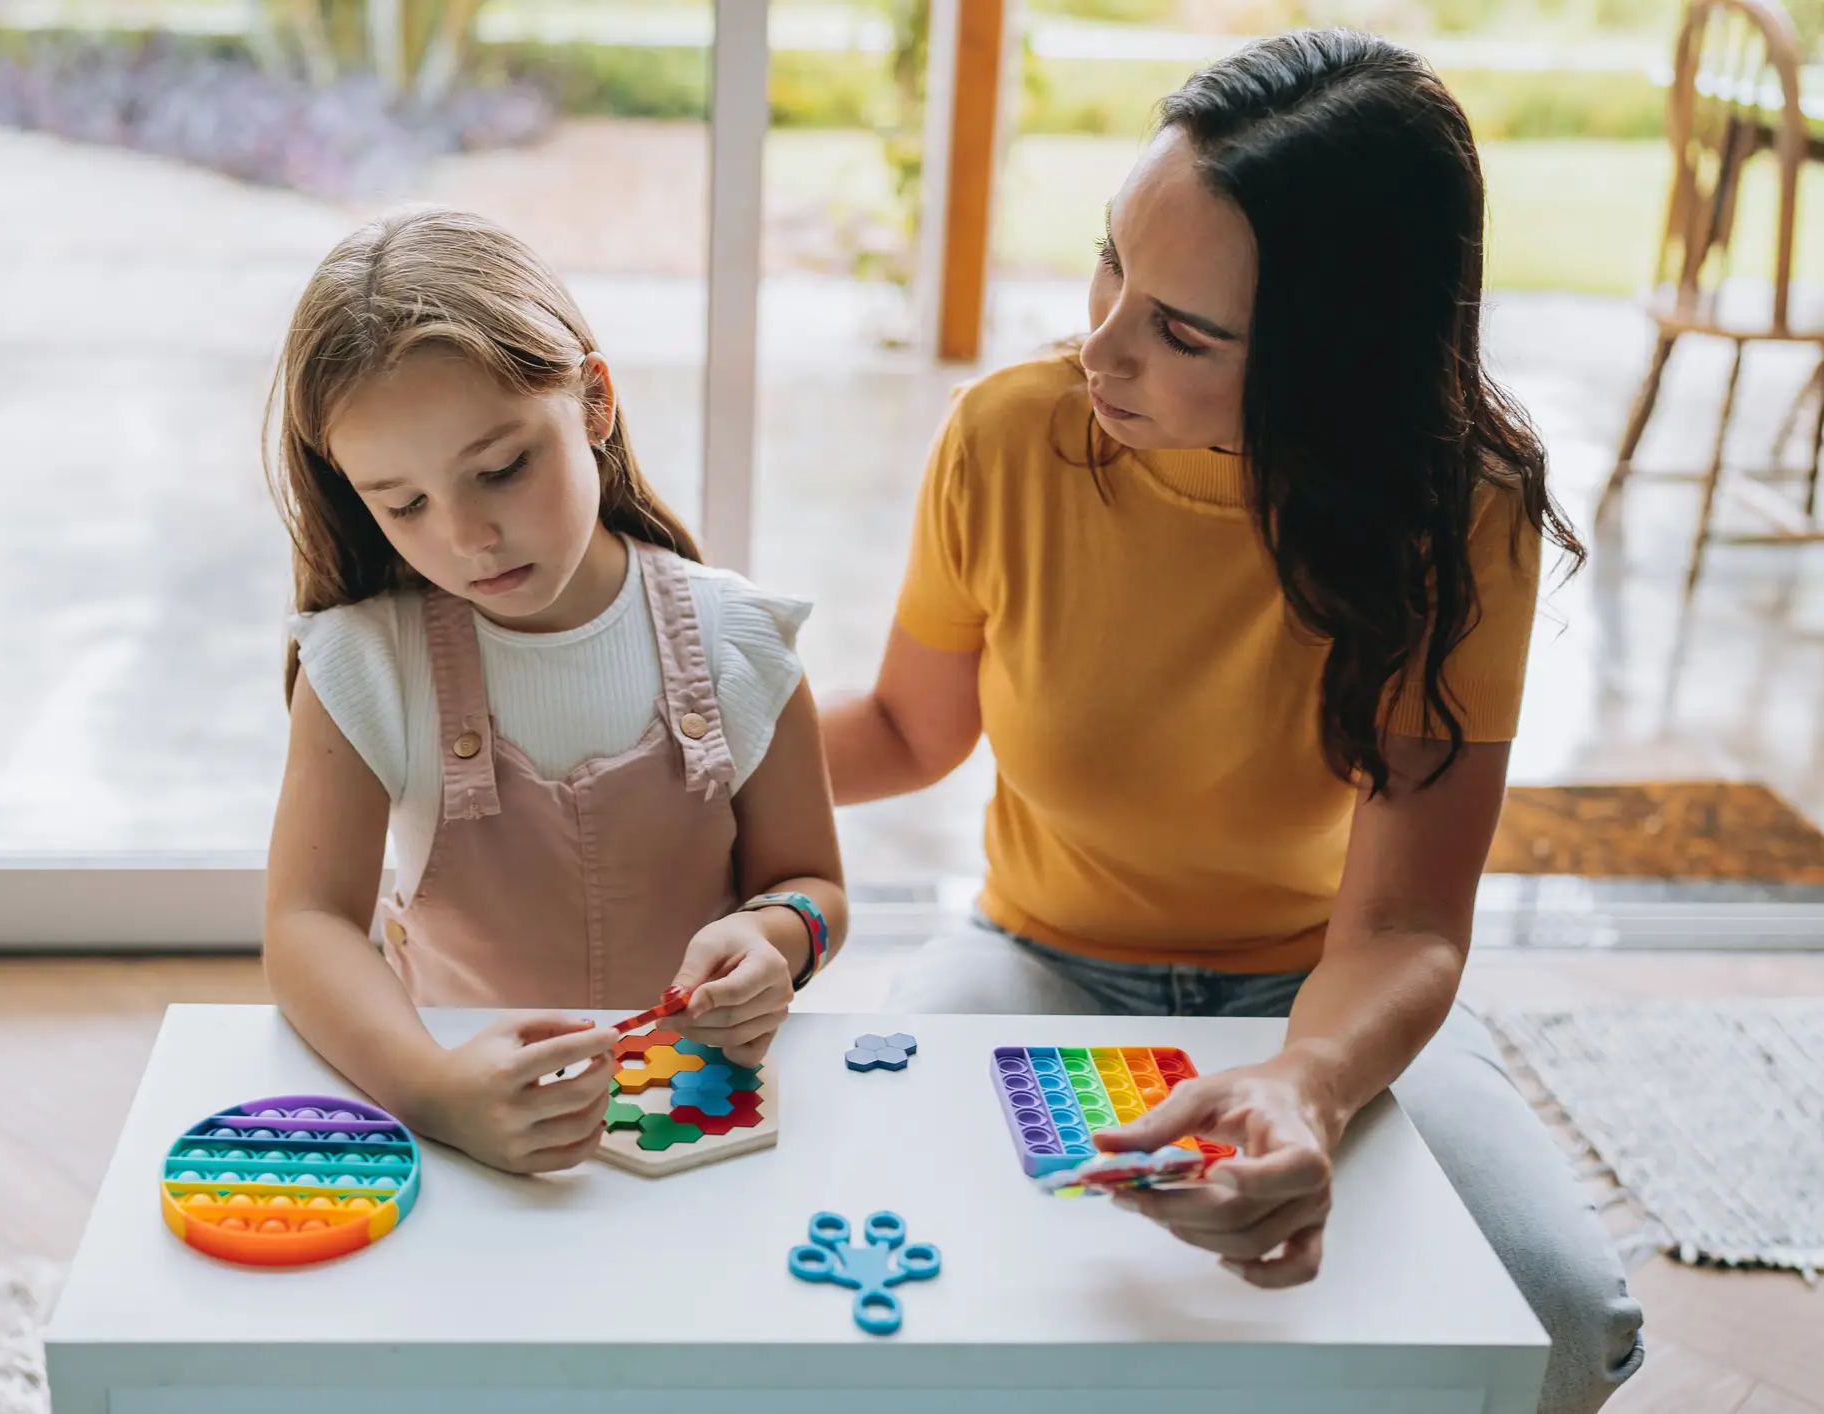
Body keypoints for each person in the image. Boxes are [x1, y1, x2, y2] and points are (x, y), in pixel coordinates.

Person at [823, 31, 1641, 1414]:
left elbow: (1403, 927)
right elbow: (910, 730)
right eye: (1110, 265)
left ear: (1340, 361)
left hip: (1317, 981)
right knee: (901, 1257)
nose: (1099, 343)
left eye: (1180, 329)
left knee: (1559, 1321)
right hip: (1038, 962)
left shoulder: (1463, 506)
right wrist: (683, 741)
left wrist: (1308, 1083)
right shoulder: (1007, 437)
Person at [261, 207, 845, 1177]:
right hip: (470, 1137)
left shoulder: (742, 639)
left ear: (595, 400)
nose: (466, 536)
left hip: (709, 1133)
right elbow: (307, 923)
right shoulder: (364, 660)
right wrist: (431, 1090)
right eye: (402, 503)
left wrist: (773, 935)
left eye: (500, 469)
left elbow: (814, 888)